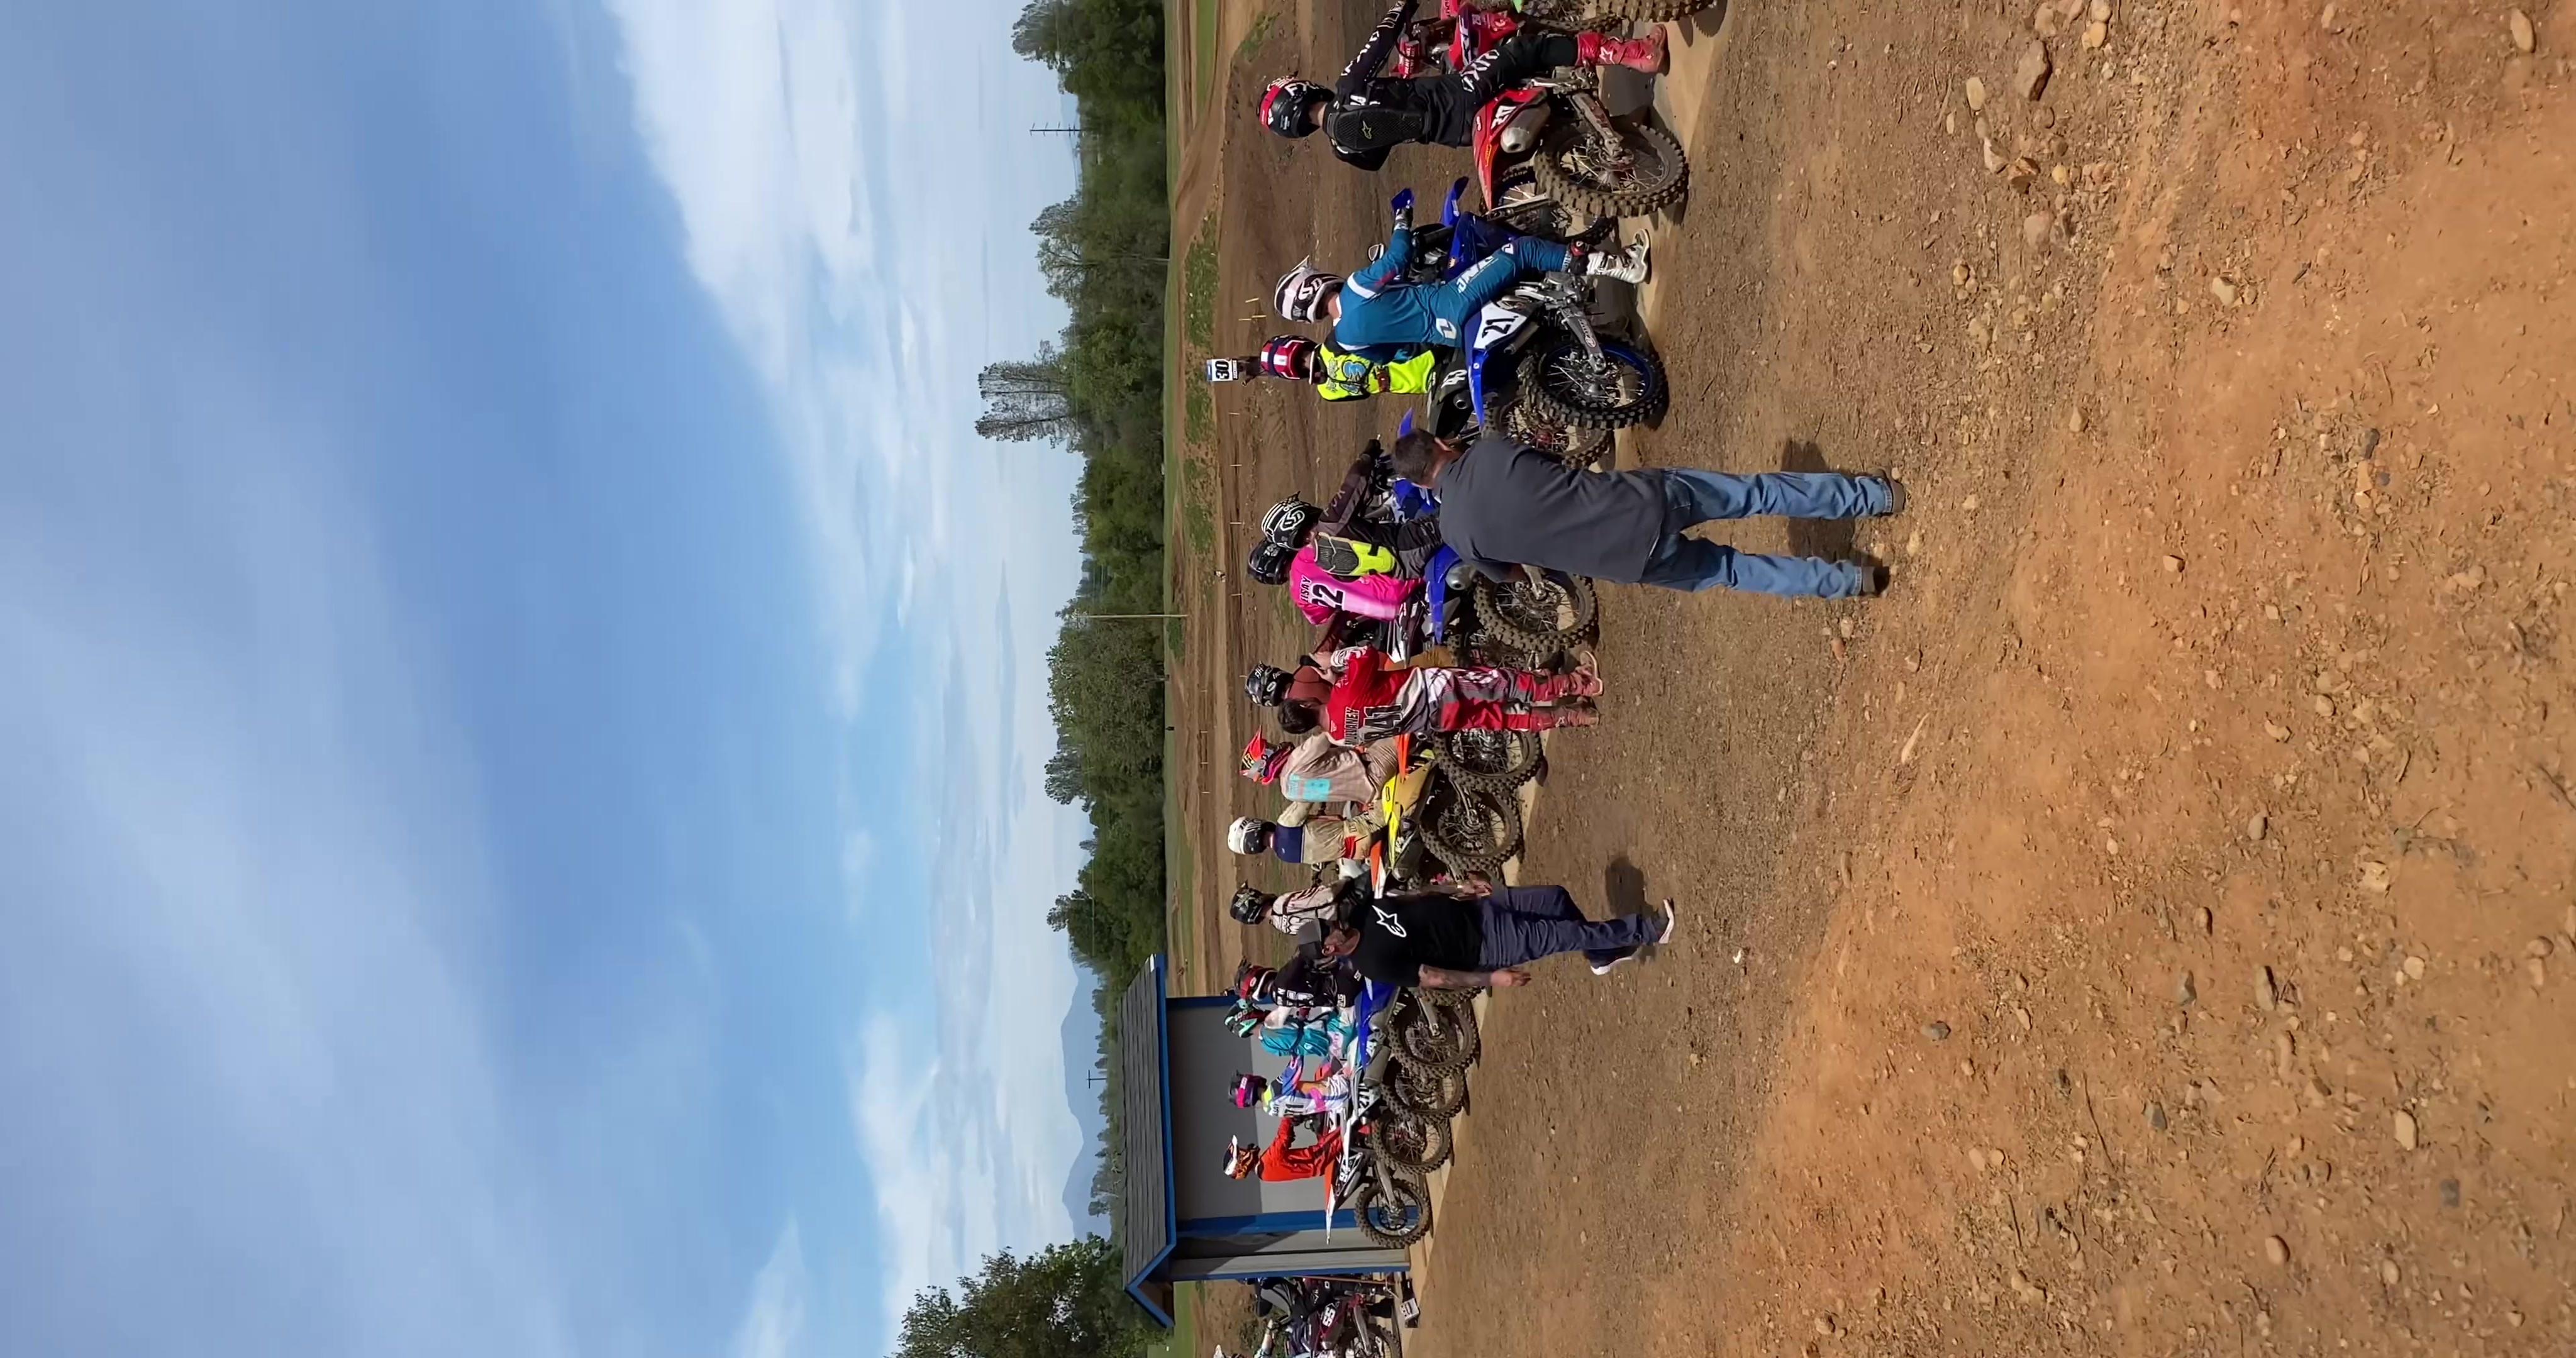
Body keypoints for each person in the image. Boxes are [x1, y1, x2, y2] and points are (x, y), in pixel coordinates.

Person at [1387, 426, 1907, 599]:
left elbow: (1515, 575)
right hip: (1643, 500)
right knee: (1756, 494)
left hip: (1630, 561)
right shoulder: (1491, 451)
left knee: (1732, 570)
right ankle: (1874, 498)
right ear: (1442, 443)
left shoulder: (1457, 535)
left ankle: (1853, 581)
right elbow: (1556, 465)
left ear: (1420, 483)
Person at [1260, 0, 1668, 172]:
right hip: (1462, 92)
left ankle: (1626, 131)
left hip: (1456, 134)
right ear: (1302, 91)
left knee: (1546, 119)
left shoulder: (1343, 148)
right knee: (1527, 50)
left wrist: (1399, 91)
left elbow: (1382, 147)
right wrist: (1405, 5)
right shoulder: (1348, 85)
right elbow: (1381, 40)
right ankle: (1634, 54)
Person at [1275, 189, 1648, 352]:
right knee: (1522, 251)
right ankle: (1619, 266)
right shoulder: (1357, 288)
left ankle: (1606, 335)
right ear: (1314, 284)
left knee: (1532, 319)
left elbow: (1395, 354)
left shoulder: (1347, 340)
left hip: (1449, 338)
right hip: (1451, 300)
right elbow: (1398, 258)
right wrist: (1402, 219)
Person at [1320, 883, 1677, 985]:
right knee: (1567, 933)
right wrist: (1491, 978)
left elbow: (1414, 896)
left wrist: (1459, 888)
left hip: (1480, 909)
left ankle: (1600, 954)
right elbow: (1434, 977)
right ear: (1329, 949)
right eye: (1328, 930)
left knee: (1555, 898)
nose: (1334, 924)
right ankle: (1650, 930)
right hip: (1486, 946)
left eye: (1329, 921)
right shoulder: (1371, 964)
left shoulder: (1361, 912)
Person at [1247, 648, 1598, 742]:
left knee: (1503, 719)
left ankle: (1574, 717)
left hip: (1433, 720)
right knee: (1503, 684)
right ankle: (1578, 684)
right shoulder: (1343, 694)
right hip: (1436, 688)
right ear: (1306, 704)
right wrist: (1334, 663)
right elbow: (1367, 655)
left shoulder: (1339, 737)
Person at [1257, 334, 1440, 403]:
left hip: (1426, 386)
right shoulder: (1334, 344)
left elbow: (1364, 395)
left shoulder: (1327, 393)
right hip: (1432, 352)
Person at [1228, 812, 1379, 867]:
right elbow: (1306, 796)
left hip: (1358, 854)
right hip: (1360, 831)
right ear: (1253, 827)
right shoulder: (1286, 824)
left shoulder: (1285, 856)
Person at [1223, 1118, 1343, 1183]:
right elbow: (1283, 1139)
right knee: (1347, 1128)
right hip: (1319, 1156)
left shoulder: (1264, 1174)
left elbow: (1286, 1141)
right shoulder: (1267, 1161)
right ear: (1241, 1165)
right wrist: (1287, 1115)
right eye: (1241, 1152)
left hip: (1317, 1162)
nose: (1245, 1150)